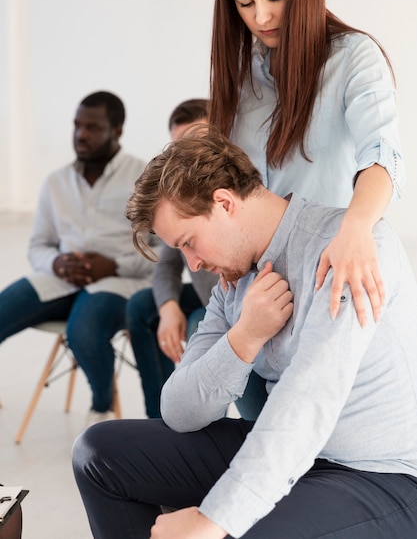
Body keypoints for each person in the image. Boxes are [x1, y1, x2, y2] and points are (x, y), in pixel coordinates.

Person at [72, 130, 417, 539]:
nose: (193, 264)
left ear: (224, 203)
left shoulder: (349, 249)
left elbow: (309, 400)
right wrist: (244, 337)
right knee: (99, 454)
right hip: (300, 460)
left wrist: (212, 519)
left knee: (239, 531)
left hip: (378, 474)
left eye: (189, 243)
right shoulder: (234, 284)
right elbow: (178, 411)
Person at [208, 0, 405, 329]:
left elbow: (382, 156)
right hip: (254, 293)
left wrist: (356, 227)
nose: (261, 17)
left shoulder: (354, 57)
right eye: (245, 4)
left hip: (328, 278)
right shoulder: (241, 75)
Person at [0, 91, 158, 424]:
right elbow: (38, 246)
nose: (80, 135)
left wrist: (113, 264)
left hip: (118, 282)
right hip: (60, 279)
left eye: (92, 127)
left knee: (83, 331)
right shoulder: (55, 182)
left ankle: (101, 405)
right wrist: (56, 263)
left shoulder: (145, 177)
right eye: (76, 126)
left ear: (117, 130)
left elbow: (162, 251)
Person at [126, 98, 217, 418]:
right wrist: (168, 308)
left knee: (196, 327)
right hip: (206, 295)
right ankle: (157, 417)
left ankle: (198, 427)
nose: (188, 156)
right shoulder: (183, 196)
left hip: (230, 305)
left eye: (198, 141)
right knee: (141, 307)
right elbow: (167, 262)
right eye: (179, 148)